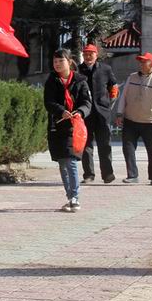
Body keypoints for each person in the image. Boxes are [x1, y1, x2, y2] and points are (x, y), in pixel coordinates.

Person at [44, 49, 92, 212]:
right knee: (62, 162)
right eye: (55, 61)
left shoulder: (80, 81)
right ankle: (70, 197)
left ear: (69, 62)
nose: (57, 64)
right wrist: (60, 111)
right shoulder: (51, 80)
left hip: (74, 126)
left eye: (61, 61)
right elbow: (48, 102)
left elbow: (87, 102)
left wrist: (80, 112)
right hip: (57, 126)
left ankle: (75, 198)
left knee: (70, 160)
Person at [114, 52, 152, 186]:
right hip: (130, 120)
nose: (141, 64)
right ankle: (132, 175)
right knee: (128, 148)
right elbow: (123, 96)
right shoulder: (132, 77)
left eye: (144, 62)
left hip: (149, 122)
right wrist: (119, 113)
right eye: (140, 61)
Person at [78, 44, 119, 183]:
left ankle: (107, 174)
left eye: (91, 54)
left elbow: (114, 86)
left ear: (96, 55)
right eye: (85, 54)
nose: (88, 57)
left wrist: (110, 103)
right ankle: (89, 175)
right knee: (86, 144)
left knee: (105, 144)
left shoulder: (106, 69)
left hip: (102, 112)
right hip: (85, 113)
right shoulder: (78, 70)